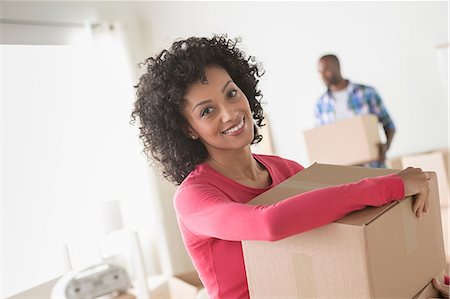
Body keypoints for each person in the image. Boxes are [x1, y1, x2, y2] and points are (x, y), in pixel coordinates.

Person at [132, 35, 430, 299]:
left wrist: (427, 284)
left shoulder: (288, 171)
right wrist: (392, 184)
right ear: (188, 129)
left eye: (231, 93)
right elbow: (268, 224)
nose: (230, 113)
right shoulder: (194, 197)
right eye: (207, 111)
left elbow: (348, 242)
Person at [315, 54, 395, 168]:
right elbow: (323, 141)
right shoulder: (321, 104)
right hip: (343, 172)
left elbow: (390, 125)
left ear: (337, 67)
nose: (323, 76)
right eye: (320, 72)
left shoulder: (367, 93)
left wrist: (386, 147)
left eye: (326, 70)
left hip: (373, 167)